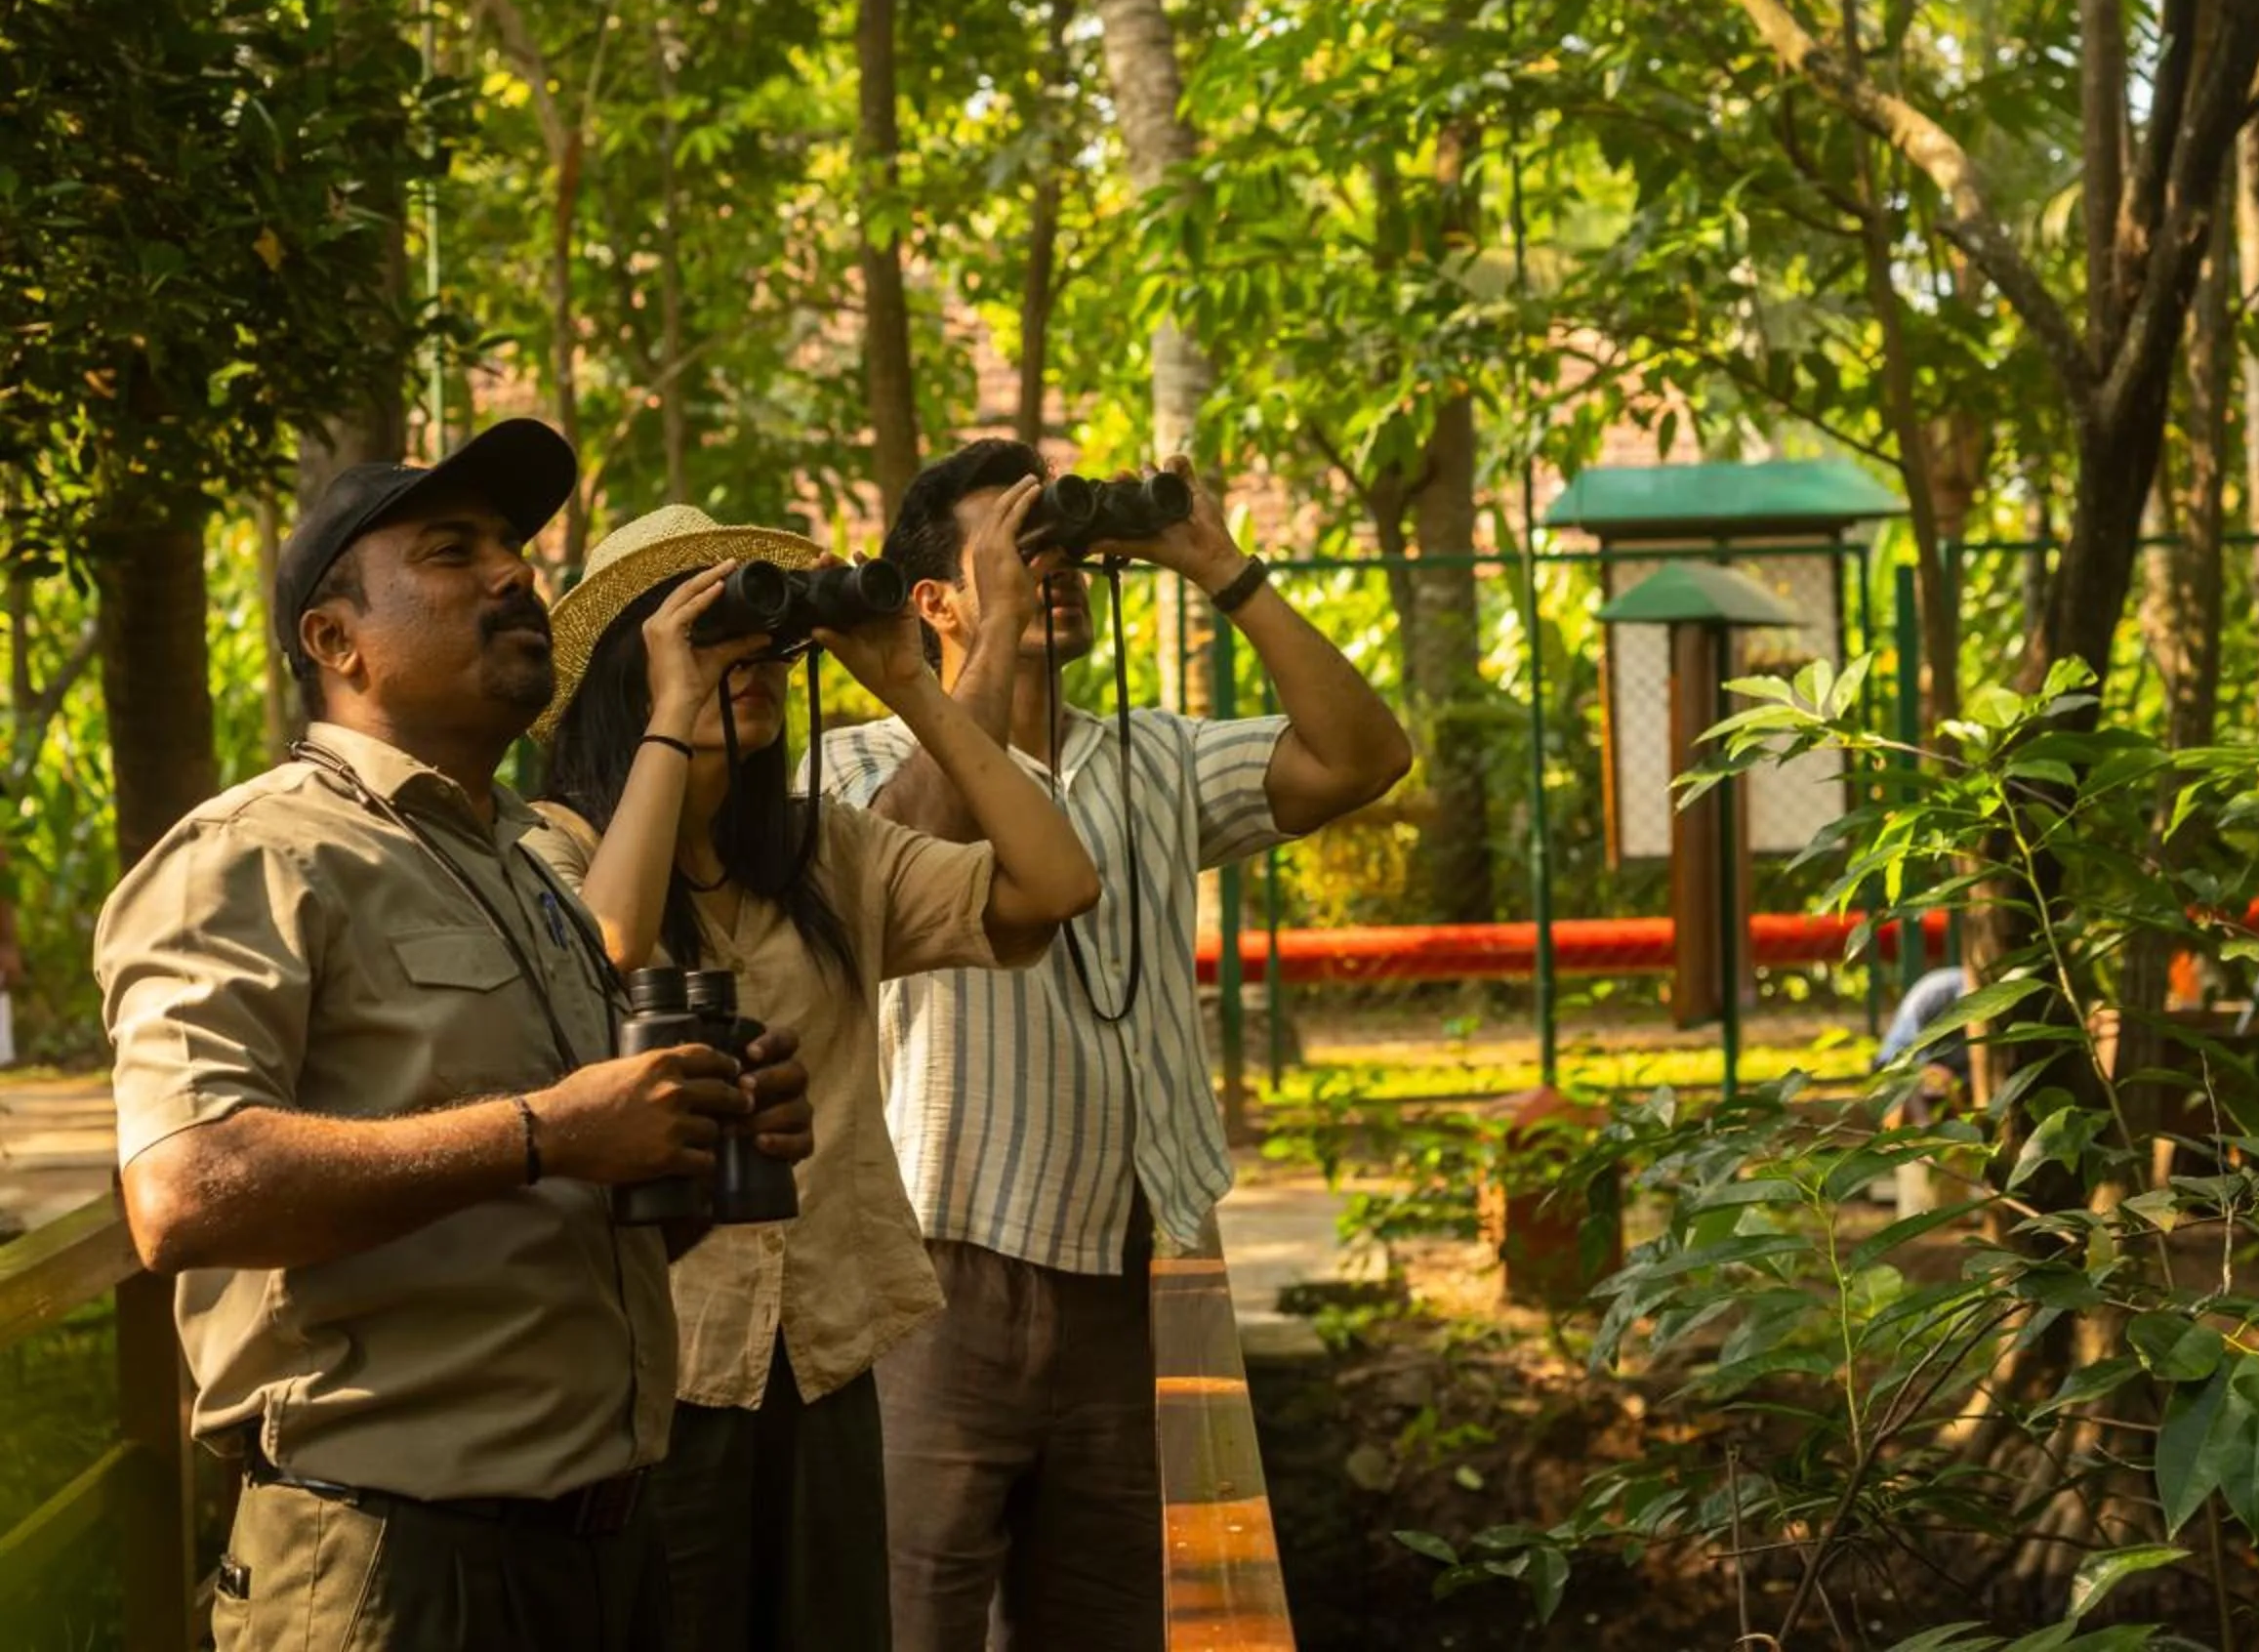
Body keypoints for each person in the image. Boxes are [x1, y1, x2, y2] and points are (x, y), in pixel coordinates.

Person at [98, 421, 815, 1652]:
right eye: (451, 552)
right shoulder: (251, 854)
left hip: (606, 1551)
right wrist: (547, 1131)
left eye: (510, 547)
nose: (513, 573)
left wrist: (689, 1143)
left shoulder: (529, 868)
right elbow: (182, 1190)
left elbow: (563, 1212)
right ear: (336, 640)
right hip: (389, 1569)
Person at [812, 440, 1412, 1649]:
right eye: (1013, 552)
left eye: (1064, 549)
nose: (1056, 571)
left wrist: (1220, 566)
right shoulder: (855, 763)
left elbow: (1365, 757)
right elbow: (919, 843)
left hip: (1131, 1274)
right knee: (911, 1620)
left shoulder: (1154, 755)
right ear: (933, 601)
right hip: (936, 1274)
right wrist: (993, 639)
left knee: (1110, 1621)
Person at [522, 502, 1100, 1652]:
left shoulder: (823, 849)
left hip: (824, 1351)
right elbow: (608, 948)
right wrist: (675, 710)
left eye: (760, 642)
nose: (746, 662)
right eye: (703, 636)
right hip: (658, 1367)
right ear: (628, 672)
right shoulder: (553, 847)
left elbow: (1058, 884)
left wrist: (913, 685)